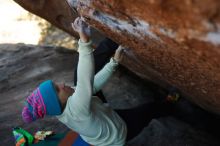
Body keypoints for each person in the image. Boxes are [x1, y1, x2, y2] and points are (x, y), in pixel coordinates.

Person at [22, 17, 172, 145]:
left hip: (105, 117)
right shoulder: (76, 110)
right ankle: (171, 105)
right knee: (148, 111)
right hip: (118, 134)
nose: (61, 84)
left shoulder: (61, 108)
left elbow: (91, 86)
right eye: (57, 89)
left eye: (56, 85)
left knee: (84, 83)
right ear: (57, 103)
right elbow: (84, 78)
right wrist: (84, 40)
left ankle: (113, 41)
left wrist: (113, 62)